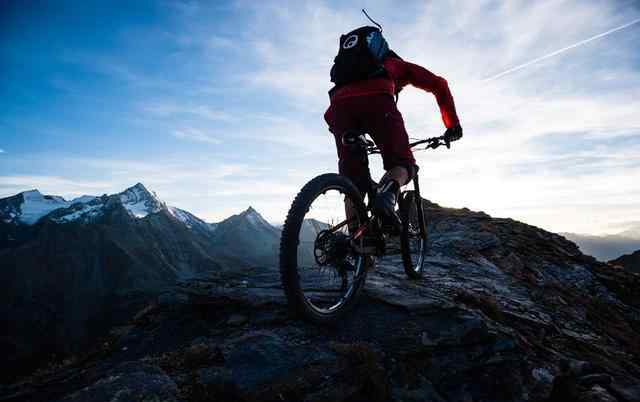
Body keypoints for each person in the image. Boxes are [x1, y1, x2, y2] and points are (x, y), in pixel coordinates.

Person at [324, 25, 462, 232]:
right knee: (404, 164)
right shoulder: (396, 65)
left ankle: (359, 250)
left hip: (337, 108)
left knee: (353, 182)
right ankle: (387, 197)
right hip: (376, 102)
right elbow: (439, 85)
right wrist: (452, 125)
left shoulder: (349, 71)